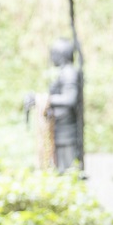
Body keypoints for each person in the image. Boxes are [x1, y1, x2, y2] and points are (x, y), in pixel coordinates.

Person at [46, 37, 83, 172]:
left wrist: (46, 100)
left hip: (67, 131)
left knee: (67, 168)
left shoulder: (68, 73)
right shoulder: (63, 72)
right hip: (60, 126)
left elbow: (69, 99)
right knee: (60, 167)